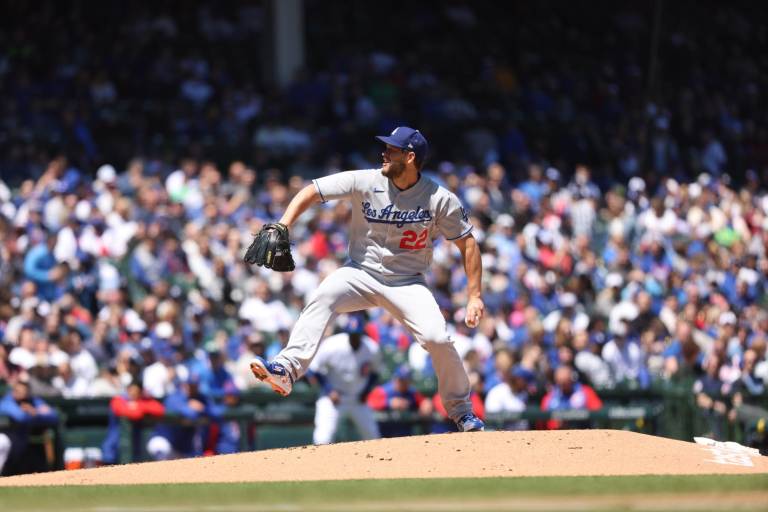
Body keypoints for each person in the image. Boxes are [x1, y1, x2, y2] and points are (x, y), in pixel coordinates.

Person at [249, 126, 486, 432]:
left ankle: (462, 411)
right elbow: (312, 191)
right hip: (359, 272)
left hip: (407, 281)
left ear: (410, 157)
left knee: (437, 339)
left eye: (392, 150)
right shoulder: (365, 180)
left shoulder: (439, 198)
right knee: (324, 296)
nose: (384, 154)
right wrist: (283, 223)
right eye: (385, 148)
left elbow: (468, 243)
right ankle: (286, 369)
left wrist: (475, 295)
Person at [306, 313, 381, 444]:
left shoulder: (371, 348)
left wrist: (366, 392)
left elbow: (376, 372)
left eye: (357, 334)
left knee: (373, 435)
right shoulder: (332, 345)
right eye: (351, 334)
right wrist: (329, 390)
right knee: (322, 438)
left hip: (357, 399)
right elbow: (314, 369)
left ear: (362, 333)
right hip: (334, 399)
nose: (354, 337)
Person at [0, 380, 59, 475]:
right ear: (13, 392)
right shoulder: (6, 401)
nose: (22, 396)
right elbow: (21, 417)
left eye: (25, 393)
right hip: (12, 445)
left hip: (31, 445)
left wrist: (34, 412)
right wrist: (37, 413)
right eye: (19, 392)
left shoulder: (33, 401)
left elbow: (54, 416)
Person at [367, 364, 433, 437]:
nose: (403, 383)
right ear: (395, 379)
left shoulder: (411, 392)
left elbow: (423, 401)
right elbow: (369, 402)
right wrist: (389, 402)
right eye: (401, 380)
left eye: (406, 380)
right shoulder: (383, 391)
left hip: (405, 431)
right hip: (385, 430)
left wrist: (426, 402)